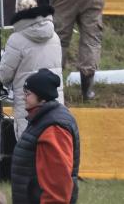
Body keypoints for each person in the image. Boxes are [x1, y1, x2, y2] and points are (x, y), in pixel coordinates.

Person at [0, 0, 64, 137]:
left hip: (28, 103)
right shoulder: (55, 36)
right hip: (54, 101)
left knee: (28, 143)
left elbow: (5, 75)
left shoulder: (16, 39)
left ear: (18, 12)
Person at [11, 69, 80, 204]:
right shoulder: (43, 119)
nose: (24, 97)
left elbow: (57, 184)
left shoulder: (54, 127)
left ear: (42, 98)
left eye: (28, 93)